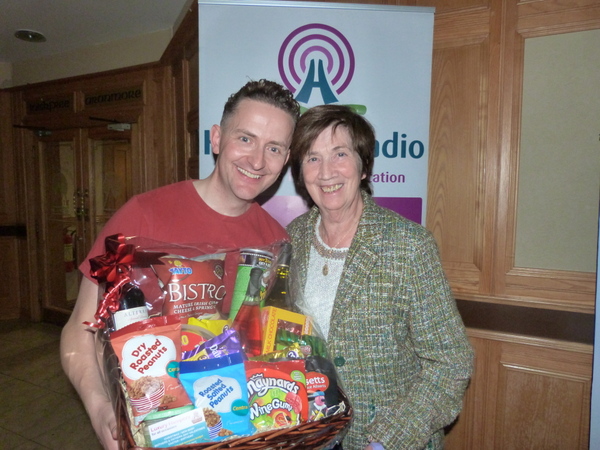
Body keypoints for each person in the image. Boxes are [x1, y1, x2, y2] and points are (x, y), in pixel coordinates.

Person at [60, 79, 300, 450]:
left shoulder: (276, 243)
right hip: (151, 426)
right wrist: (99, 408)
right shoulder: (141, 216)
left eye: (274, 148)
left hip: (235, 428)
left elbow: (268, 351)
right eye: (246, 139)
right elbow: (80, 329)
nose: (257, 161)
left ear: (285, 159)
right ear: (217, 139)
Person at [286, 104, 474, 450]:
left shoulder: (408, 245)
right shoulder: (292, 238)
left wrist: (387, 442)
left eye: (340, 154)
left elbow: (451, 363)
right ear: (300, 171)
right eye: (312, 158)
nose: (326, 171)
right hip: (309, 435)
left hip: (383, 439)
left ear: (363, 166)